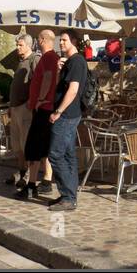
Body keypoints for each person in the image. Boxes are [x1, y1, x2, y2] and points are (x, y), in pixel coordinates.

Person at [46, 32, 88, 212]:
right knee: (68, 155)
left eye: (64, 40)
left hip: (67, 115)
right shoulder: (70, 62)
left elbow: (73, 90)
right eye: (60, 40)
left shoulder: (77, 61)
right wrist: (59, 70)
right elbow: (61, 87)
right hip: (69, 114)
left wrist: (58, 111)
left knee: (55, 155)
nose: (60, 43)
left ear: (74, 42)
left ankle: (68, 196)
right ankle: (69, 196)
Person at [18, 30, 59, 200]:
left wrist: (41, 99)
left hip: (43, 109)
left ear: (42, 40)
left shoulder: (49, 57)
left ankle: (31, 186)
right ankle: (33, 184)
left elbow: (49, 77)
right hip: (44, 109)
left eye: (38, 39)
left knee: (34, 147)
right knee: (40, 149)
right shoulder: (51, 57)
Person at [4, 32, 38, 189]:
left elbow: (39, 82)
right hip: (16, 107)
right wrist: (11, 105)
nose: (17, 47)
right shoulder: (20, 61)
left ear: (29, 45)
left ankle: (30, 175)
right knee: (17, 145)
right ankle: (22, 170)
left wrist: (31, 103)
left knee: (26, 144)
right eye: (17, 45)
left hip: (26, 108)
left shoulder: (34, 59)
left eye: (20, 45)